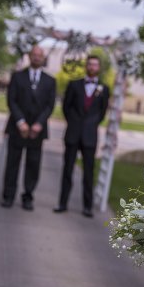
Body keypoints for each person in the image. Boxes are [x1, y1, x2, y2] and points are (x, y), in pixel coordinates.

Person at [1, 45, 56, 211]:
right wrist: (21, 122)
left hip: (37, 132)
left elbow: (49, 106)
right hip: (17, 128)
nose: (37, 57)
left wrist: (39, 123)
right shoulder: (17, 76)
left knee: (33, 164)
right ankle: (8, 196)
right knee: (12, 163)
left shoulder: (50, 80)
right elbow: (12, 100)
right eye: (34, 54)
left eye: (40, 55)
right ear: (30, 56)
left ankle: (28, 197)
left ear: (43, 57)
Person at [54, 55, 110, 217]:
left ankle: (87, 206)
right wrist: (74, 123)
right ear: (86, 66)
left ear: (98, 68)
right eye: (90, 64)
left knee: (88, 172)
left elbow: (102, 113)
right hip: (73, 133)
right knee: (67, 169)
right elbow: (66, 107)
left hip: (90, 136)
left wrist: (90, 125)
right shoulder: (74, 85)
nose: (92, 67)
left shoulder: (104, 89)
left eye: (95, 65)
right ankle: (62, 203)